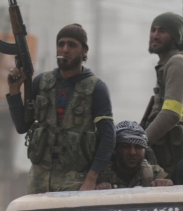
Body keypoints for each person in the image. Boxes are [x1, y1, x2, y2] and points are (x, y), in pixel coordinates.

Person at [7, 24, 115, 194]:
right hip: (39, 180)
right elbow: (22, 126)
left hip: (76, 181)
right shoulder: (41, 83)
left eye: (72, 45)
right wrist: (14, 91)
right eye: (61, 44)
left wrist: (91, 179)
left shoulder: (96, 88)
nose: (65, 49)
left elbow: (108, 137)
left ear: (84, 51)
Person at [140, 12, 183, 172]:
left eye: (163, 31)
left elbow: (171, 113)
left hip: (174, 160)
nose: (155, 35)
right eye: (153, 30)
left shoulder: (177, 63)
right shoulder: (169, 63)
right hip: (168, 157)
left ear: (175, 37)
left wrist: (139, 142)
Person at [96, 121, 173, 189]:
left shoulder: (154, 173)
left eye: (138, 147)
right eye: (125, 147)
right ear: (116, 149)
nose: (132, 152)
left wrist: (165, 186)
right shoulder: (98, 174)